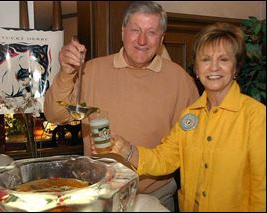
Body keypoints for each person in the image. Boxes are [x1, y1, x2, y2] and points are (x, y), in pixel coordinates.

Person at [44, 1, 199, 210]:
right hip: (100, 195)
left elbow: (191, 146)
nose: (142, 40)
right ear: (123, 31)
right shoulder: (92, 71)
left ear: (162, 38)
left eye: (151, 32)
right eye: (135, 30)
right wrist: (66, 72)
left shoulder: (181, 80)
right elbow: (55, 115)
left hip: (156, 195)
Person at [110, 22, 266, 212]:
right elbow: (165, 159)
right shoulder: (189, 116)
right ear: (197, 70)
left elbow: (262, 189)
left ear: (236, 68)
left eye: (224, 59)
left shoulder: (256, 116)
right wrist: (127, 149)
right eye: (206, 60)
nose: (214, 67)